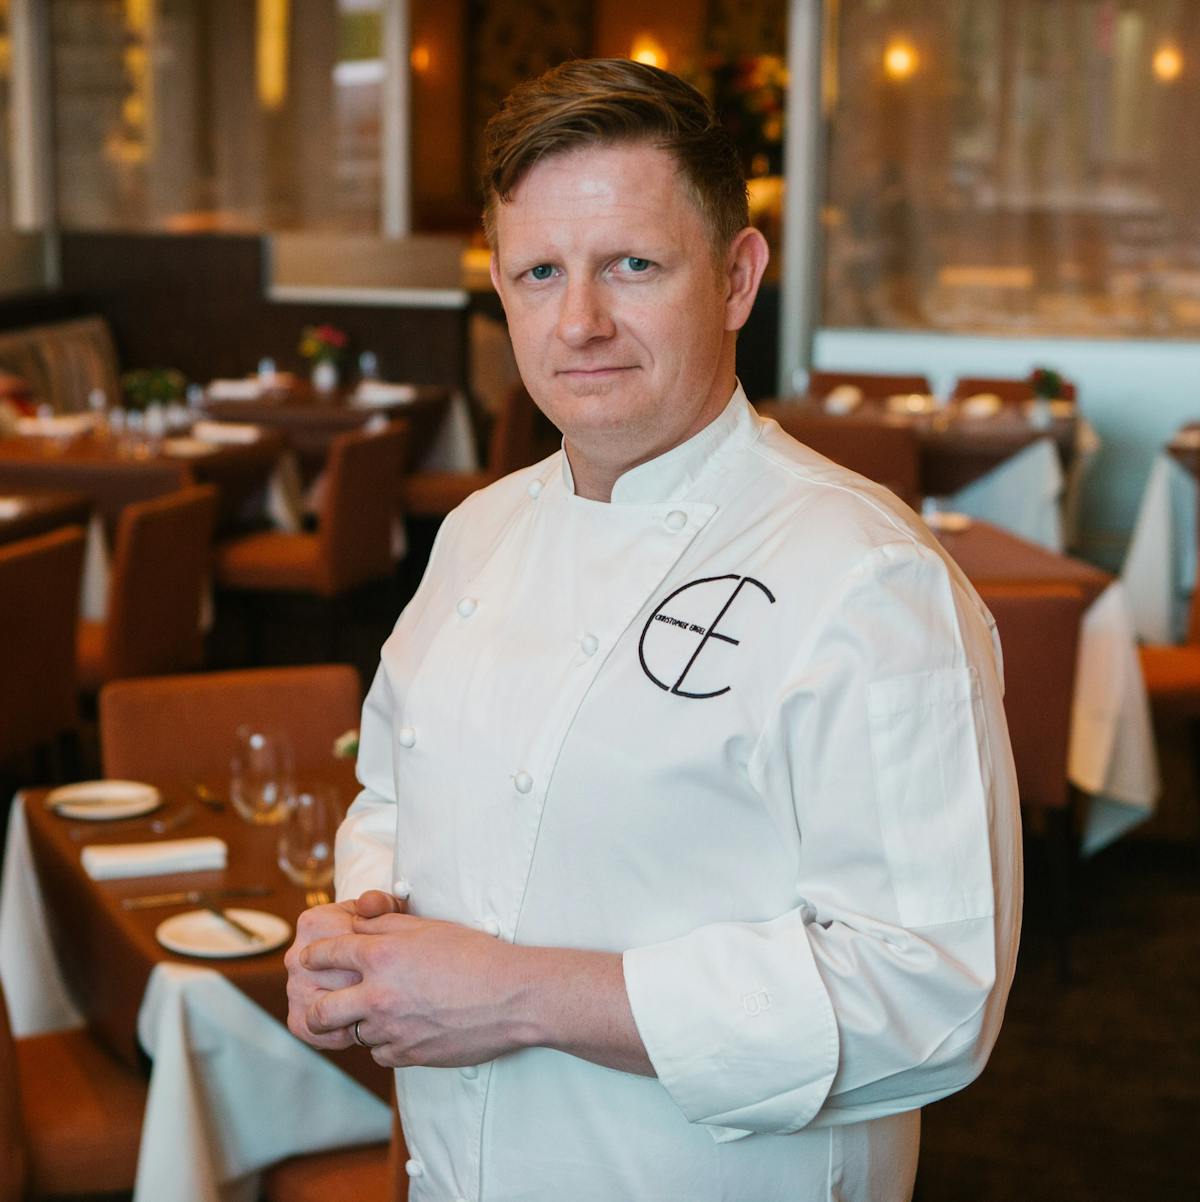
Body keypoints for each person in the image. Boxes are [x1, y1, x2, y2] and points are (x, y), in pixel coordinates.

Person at [285, 58, 1021, 1202]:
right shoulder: (477, 531)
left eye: (632, 264)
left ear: (737, 277)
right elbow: (391, 790)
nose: (579, 321)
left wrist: (517, 993)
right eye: (539, 272)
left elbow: (930, 995)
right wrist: (364, 929)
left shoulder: (865, 573)